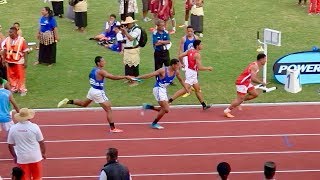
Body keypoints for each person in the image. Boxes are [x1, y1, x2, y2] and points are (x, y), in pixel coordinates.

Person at [57, 56, 132, 133]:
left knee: (84, 104)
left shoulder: (93, 70)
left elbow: (91, 78)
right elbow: (112, 77)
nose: (104, 62)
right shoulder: (101, 71)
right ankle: (113, 128)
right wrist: (125, 77)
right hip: (98, 92)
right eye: (103, 61)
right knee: (109, 110)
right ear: (98, 63)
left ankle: (68, 101)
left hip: (92, 90)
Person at [138, 59, 189, 129]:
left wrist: (186, 88)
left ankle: (148, 107)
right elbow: (150, 75)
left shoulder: (176, 72)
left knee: (163, 109)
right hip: (158, 89)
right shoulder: (163, 70)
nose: (179, 67)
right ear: (173, 65)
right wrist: (137, 78)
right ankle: (154, 123)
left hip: (163, 90)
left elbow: (181, 80)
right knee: (166, 109)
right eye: (177, 65)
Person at [168, 40, 212, 110]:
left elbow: (180, 56)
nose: (202, 46)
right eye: (201, 44)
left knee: (197, 89)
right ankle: (169, 100)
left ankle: (204, 105)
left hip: (190, 72)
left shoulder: (189, 51)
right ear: (197, 46)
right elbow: (200, 67)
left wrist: (182, 64)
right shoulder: (197, 55)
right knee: (185, 89)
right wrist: (208, 68)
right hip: (192, 73)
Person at [223, 53, 267, 118]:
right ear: (261, 59)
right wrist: (262, 83)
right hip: (242, 83)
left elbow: (250, 76)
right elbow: (253, 79)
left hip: (246, 82)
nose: (266, 61)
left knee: (255, 94)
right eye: (265, 59)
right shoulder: (255, 66)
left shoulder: (255, 64)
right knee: (239, 99)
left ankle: (239, 103)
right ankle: (226, 111)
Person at [7, 108, 46, 180]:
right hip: (35, 157)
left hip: (22, 158)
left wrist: (15, 156)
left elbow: (10, 145)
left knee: (24, 178)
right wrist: (43, 153)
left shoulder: (13, 128)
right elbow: (41, 142)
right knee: (37, 177)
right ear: (29, 117)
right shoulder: (35, 127)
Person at [0, 27, 29, 95]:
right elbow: (4, 50)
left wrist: (25, 62)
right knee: (11, 75)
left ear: (15, 33)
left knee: (20, 75)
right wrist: (4, 59)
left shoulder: (22, 40)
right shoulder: (7, 39)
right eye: (9, 32)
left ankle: (22, 89)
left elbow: (25, 52)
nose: (9, 34)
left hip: (19, 61)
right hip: (9, 60)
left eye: (11, 32)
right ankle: (14, 87)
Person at [120, 16, 142, 86]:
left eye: (127, 23)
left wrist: (125, 31)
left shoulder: (137, 29)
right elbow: (125, 37)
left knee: (134, 65)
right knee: (127, 65)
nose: (126, 25)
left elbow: (131, 38)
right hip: (127, 49)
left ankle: (135, 81)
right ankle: (129, 78)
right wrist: (123, 31)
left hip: (133, 49)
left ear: (131, 23)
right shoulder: (129, 29)